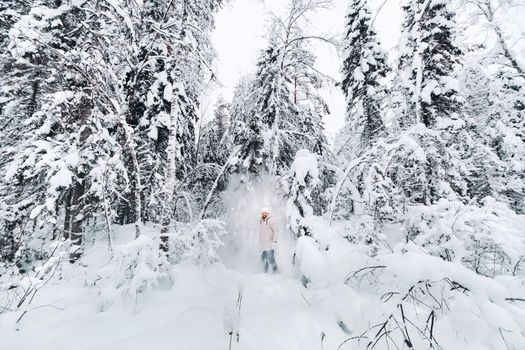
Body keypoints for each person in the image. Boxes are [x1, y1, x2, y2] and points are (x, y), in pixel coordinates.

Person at [259, 207, 278, 273]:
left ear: (268, 213)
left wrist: (275, 241)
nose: (264, 214)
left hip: (270, 244)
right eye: (263, 213)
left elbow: (276, 231)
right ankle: (265, 273)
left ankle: (275, 272)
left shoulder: (271, 220)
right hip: (264, 245)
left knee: (270, 258)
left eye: (265, 213)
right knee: (264, 259)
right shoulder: (261, 221)